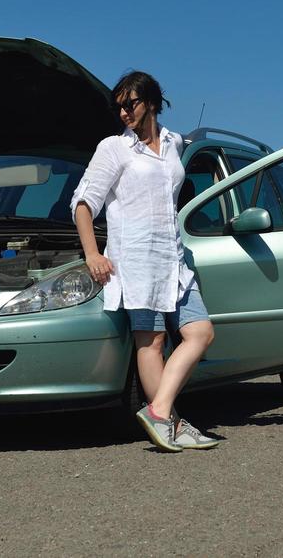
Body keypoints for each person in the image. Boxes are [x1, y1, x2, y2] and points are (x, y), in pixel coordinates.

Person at [71, 70, 220, 451]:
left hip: (173, 258)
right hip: (135, 261)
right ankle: (170, 423)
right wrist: (92, 254)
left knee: (200, 333)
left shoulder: (173, 143)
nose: (123, 112)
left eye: (130, 104)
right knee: (151, 343)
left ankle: (160, 413)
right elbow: (84, 203)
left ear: (152, 102)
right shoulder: (113, 149)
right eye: (117, 106)